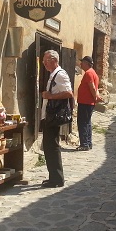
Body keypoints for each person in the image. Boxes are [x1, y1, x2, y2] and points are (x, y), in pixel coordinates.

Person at [40, 49, 73, 188]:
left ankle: (57, 179)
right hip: (49, 115)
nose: (44, 63)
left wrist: (51, 96)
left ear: (54, 60)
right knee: (49, 147)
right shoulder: (53, 74)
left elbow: (69, 93)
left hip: (54, 116)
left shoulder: (60, 74)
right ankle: (53, 177)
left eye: (46, 61)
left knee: (52, 147)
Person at [76, 56, 101, 151]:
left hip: (85, 102)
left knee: (82, 122)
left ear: (86, 63)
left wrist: (95, 97)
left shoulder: (89, 73)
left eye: (82, 62)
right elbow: (95, 88)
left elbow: (92, 87)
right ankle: (88, 143)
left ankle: (84, 144)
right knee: (87, 123)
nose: (80, 64)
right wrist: (96, 97)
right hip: (88, 102)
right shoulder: (93, 73)